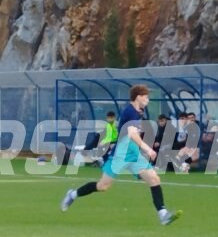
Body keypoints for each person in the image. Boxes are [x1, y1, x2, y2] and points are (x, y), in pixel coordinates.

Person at [61, 84, 181, 226]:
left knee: (154, 179)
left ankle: (163, 214)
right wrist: (148, 149)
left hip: (133, 154)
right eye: (146, 97)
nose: (148, 100)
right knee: (103, 186)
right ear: (138, 97)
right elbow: (132, 134)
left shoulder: (139, 111)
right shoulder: (130, 111)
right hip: (120, 155)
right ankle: (72, 194)